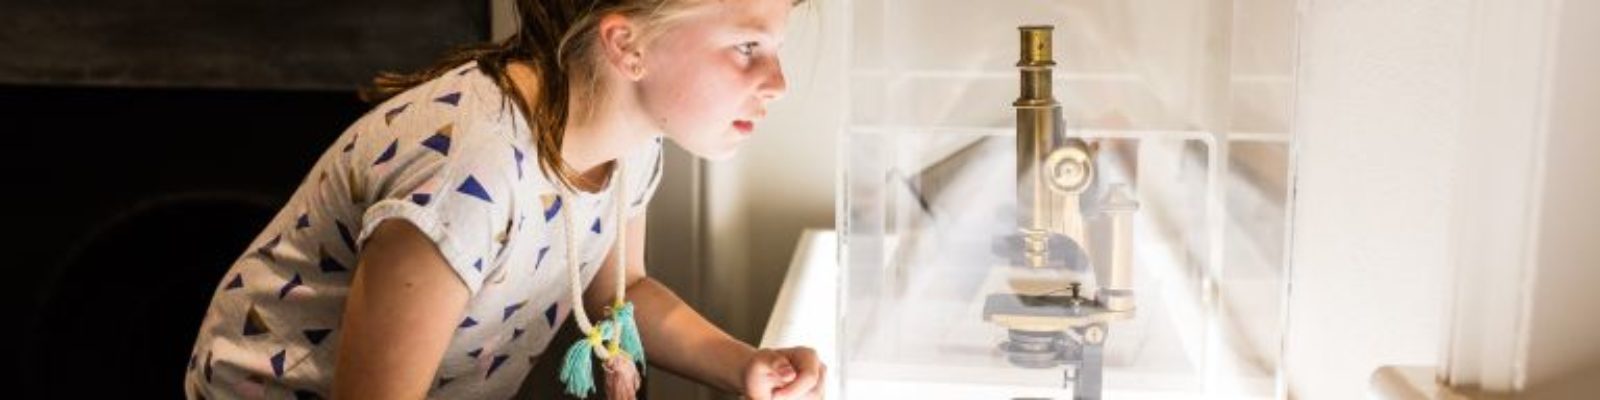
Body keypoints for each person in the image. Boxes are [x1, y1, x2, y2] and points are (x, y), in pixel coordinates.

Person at [183, 0, 824, 398]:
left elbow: (620, 292)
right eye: (747, 47)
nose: (779, 83)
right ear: (628, 47)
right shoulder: (469, 180)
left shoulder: (631, 137)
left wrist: (744, 367)